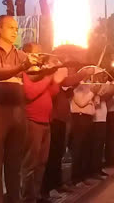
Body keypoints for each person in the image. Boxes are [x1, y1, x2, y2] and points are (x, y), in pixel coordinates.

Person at [0, 15, 36, 203]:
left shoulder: (20, 54)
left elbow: (36, 73)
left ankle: (14, 200)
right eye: (11, 27)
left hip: (17, 111)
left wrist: (54, 67)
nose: (15, 31)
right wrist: (23, 66)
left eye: (16, 28)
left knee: (14, 165)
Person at [21, 43, 68, 203]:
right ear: (27, 55)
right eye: (38, 53)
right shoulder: (25, 71)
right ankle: (27, 198)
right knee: (30, 164)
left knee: (41, 163)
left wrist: (54, 75)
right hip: (32, 121)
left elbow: (53, 92)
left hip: (46, 121)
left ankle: (37, 195)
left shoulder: (40, 73)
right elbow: (30, 93)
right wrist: (48, 77)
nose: (41, 56)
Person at [42, 65, 95, 198]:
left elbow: (69, 86)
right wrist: (83, 73)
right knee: (52, 156)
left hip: (62, 120)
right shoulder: (53, 80)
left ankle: (58, 183)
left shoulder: (61, 86)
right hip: (54, 120)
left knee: (59, 154)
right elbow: (68, 81)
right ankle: (48, 188)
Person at [70, 75, 101, 186]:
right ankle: (75, 178)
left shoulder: (89, 87)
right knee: (78, 148)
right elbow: (81, 103)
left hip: (88, 119)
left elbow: (94, 103)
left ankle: (83, 175)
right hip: (79, 118)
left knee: (86, 148)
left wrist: (94, 97)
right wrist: (91, 95)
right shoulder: (77, 87)